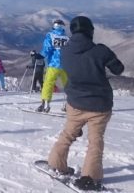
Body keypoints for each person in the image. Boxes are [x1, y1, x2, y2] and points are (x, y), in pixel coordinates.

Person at [47, 16, 124, 191]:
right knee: (95, 141)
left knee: (67, 135)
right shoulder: (100, 51)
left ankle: (56, 164)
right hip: (100, 105)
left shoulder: (64, 51)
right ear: (90, 31)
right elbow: (118, 69)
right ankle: (89, 177)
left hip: (75, 103)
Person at [38, 19, 70, 112]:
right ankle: (69, 104)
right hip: (65, 65)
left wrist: (40, 55)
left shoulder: (50, 35)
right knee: (68, 84)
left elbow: (47, 48)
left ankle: (45, 104)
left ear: (54, 26)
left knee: (48, 83)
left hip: (53, 64)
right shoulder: (67, 38)